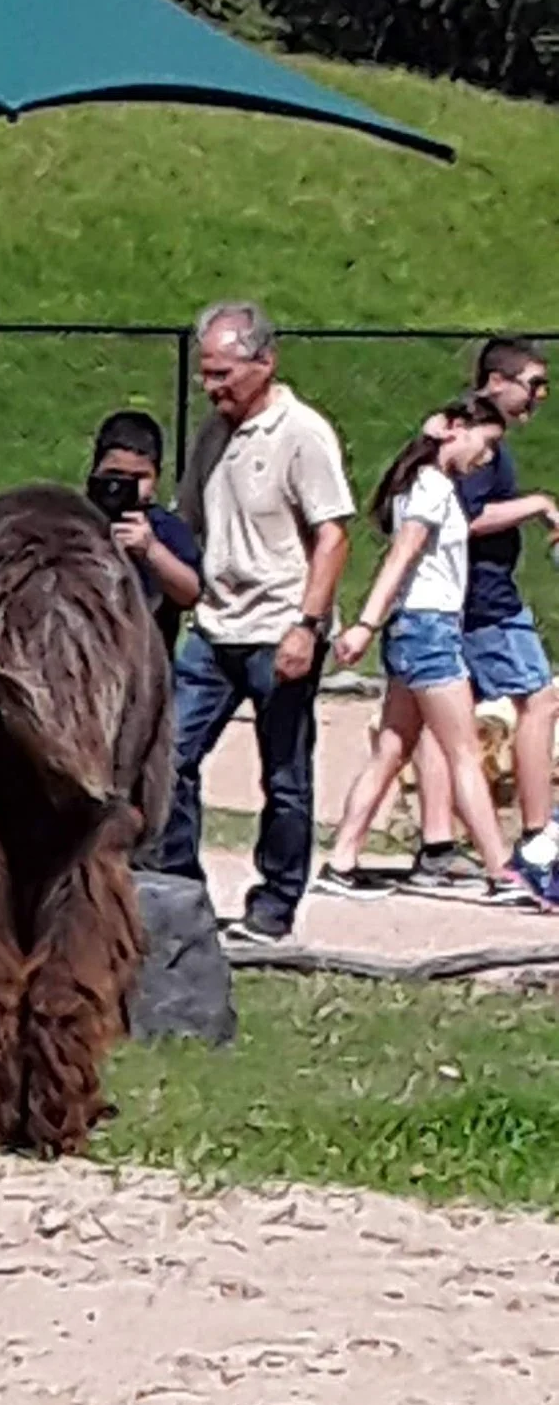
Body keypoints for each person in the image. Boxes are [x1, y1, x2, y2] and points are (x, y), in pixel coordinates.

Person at [144, 301, 354, 944]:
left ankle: (275, 904)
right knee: (171, 757)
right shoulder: (213, 433)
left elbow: (333, 535)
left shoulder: (302, 433)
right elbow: (188, 524)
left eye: (223, 374)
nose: (212, 388)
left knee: (284, 774)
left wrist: (306, 624)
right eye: (205, 374)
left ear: (265, 362)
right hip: (215, 627)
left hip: (279, 628)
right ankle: (182, 890)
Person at [312, 393, 538, 905]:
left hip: (420, 631)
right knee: (463, 753)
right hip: (428, 631)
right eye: (486, 444)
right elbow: (401, 557)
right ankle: (503, 874)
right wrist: (366, 625)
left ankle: (341, 859)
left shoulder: (424, 484)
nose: (487, 458)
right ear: (457, 429)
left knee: (392, 748)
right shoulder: (432, 487)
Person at [404, 336, 559, 901]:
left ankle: (438, 844)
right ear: (497, 382)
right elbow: (462, 520)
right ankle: (539, 837)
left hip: (455, 601)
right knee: (538, 698)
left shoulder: (463, 435)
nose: (539, 397)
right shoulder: (476, 444)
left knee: (442, 724)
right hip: (483, 601)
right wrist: (539, 505)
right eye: (532, 384)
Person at [85, 409, 201, 654]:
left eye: (139, 477)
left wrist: (151, 551)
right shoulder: (75, 519)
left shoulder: (166, 528)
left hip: (147, 663)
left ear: (156, 478)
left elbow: (191, 594)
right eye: (114, 476)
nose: (126, 486)